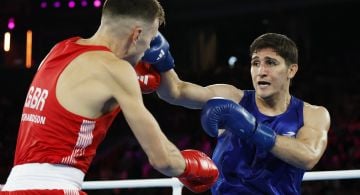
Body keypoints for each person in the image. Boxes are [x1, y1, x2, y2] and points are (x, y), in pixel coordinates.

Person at [0, 0, 219, 194]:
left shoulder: (58, 50)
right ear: (136, 35)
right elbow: (163, 159)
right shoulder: (116, 70)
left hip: (13, 187)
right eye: (150, 40)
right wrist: (192, 167)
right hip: (56, 189)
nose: (146, 53)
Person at [136, 32, 331, 194]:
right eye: (256, 63)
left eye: (271, 63)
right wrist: (162, 61)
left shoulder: (313, 114)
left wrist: (250, 128)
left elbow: (308, 156)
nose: (261, 71)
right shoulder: (231, 97)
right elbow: (176, 92)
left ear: (291, 70)